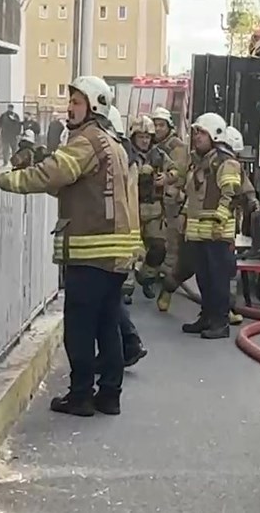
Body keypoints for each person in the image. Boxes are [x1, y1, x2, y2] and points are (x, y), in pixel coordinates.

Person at [0, 75, 139, 417]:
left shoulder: (87, 141)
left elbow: (54, 174)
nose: (69, 108)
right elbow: (75, 186)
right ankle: (109, 396)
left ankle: (81, 395)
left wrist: (5, 179)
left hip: (91, 255)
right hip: (114, 255)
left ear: (94, 106)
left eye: (76, 102)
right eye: (70, 101)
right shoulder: (111, 142)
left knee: (81, 327)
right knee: (107, 325)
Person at [180, 113, 241, 340]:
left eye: (202, 133)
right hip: (199, 234)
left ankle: (220, 323)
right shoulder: (199, 162)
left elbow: (230, 193)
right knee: (204, 279)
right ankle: (206, 317)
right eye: (195, 132)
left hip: (216, 234)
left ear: (215, 135)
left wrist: (219, 220)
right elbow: (193, 195)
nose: (197, 137)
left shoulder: (225, 162)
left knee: (218, 280)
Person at [105, 105, 148, 366]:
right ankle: (129, 344)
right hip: (125, 237)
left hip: (113, 239)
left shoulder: (116, 156)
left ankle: (130, 344)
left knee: (108, 299)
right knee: (110, 298)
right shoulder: (127, 156)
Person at [129, 115, 175, 299]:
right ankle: (127, 287)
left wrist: (167, 177)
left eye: (147, 137)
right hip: (131, 208)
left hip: (154, 210)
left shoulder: (159, 155)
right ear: (133, 137)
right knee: (129, 250)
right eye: (141, 137)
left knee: (158, 249)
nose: (144, 140)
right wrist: (139, 173)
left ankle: (146, 278)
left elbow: (175, 171)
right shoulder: (126, 154)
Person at [151, 107, 190, 309]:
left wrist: (168, 178)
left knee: (173, 245)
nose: (157, 129)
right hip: (154, 204)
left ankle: (166, 289)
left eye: (161, 125)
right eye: (155, 124)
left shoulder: (177, 147)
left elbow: (180, 171)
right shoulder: (153, 145)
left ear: (169, 127)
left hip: (172, 204)